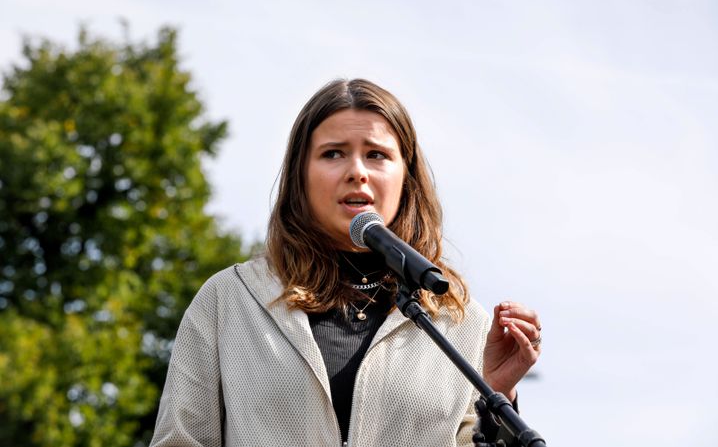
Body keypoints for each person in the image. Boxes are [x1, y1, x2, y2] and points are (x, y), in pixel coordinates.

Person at [150, 78, 542, 447]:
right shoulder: (228, 301)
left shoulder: (458, 323)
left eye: (376, 155)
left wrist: (497, 393)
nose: (357, 171)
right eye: (333, 153)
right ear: (301, 175)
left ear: (405, 175)